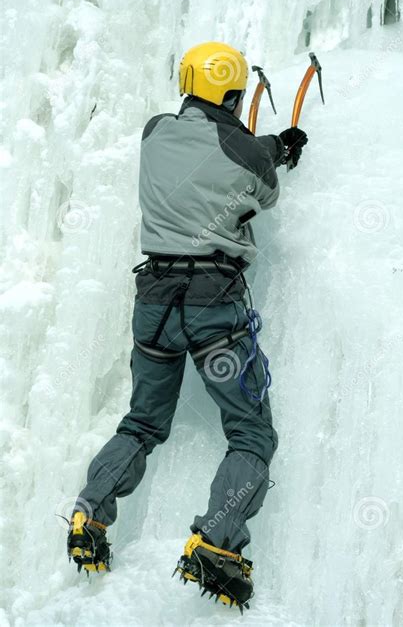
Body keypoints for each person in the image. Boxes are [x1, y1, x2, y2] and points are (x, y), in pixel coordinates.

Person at [67, 41, 308, 610]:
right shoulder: (246, 152)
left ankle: (90, 515)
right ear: (236, 90)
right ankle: (217, 544)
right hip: (213, 306)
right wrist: (279, 147)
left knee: (143, 423)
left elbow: (214, 149)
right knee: (250, 433)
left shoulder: (154, 130)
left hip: (154, 301)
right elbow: (263, 187)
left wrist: (259, 146)